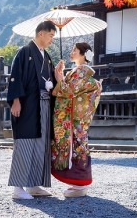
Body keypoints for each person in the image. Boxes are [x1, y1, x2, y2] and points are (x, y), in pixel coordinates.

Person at [7, 20, 61, 200]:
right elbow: (16, 77)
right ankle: (17, 187)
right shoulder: (25, 52)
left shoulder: (47, 57)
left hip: (44, 104)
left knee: (41, 143)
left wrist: (58, 76)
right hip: (28, 104)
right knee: (26, 141)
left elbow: (52, 83)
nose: (52, 40)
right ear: (41, 34)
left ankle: (33, 184)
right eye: (51, 36)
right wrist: (16, 100)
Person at [51, 42, 102, 198]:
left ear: (83, 54)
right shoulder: (76, 71)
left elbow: (68, 91)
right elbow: (60, 91)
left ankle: (79, 184)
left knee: (77, 147)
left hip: (74, 119)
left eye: (75, 50)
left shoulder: (82, 72)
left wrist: (59, 79)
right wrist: (60, 77)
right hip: (75, 120)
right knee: (78, 146)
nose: (71, 52)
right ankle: (78, 183)